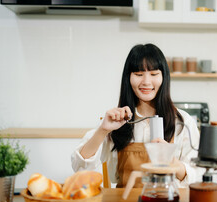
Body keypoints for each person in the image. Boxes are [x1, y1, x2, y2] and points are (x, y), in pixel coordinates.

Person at [71, 43, 203, 188]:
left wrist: (174, 164)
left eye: (154, 74)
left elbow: (198, 176)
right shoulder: (117, 119)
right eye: (139, 74)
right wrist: (103, 130)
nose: (146, 82)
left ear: (164, 77)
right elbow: (80, 166)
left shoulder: (182, 121)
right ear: (128, 78)